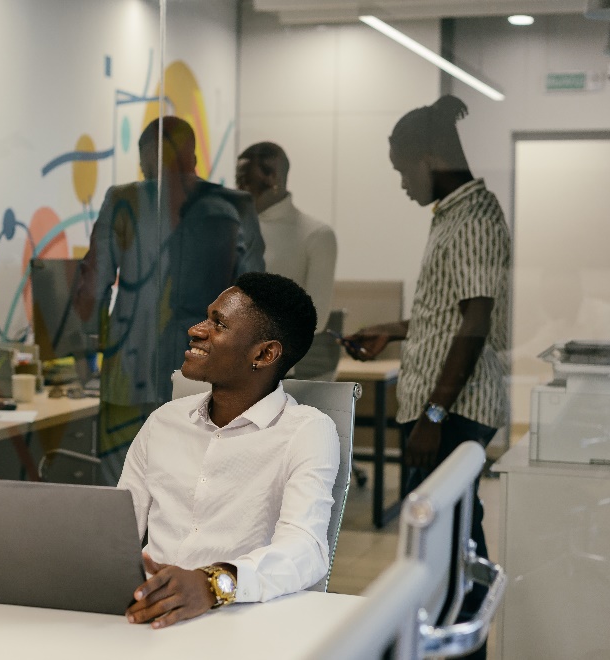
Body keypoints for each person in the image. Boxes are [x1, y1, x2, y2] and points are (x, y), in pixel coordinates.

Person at [343, 95, 511, 660]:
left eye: (401, 170)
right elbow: (452, 312)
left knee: (456, 544)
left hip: (456, 409)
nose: (402, 183)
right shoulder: (456, 216)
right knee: (449, 542)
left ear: (430, 158)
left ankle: (460, 645)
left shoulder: (473, 219)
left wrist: (435, 414)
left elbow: (477, 321)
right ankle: (453, 639)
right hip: (447, 405)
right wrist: (393, 328)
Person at [118, 271, 339, 628]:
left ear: (265, 353)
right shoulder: (164, 422)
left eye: (218, 324)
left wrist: (211, 584)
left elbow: (306, 550)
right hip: (150, 614)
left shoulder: (306, 430)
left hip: (241, 620)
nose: (196, 329)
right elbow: (117, 529)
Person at [76, 116, 265, 485]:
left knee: (122, 481)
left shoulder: (123, 199)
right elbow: (253, 298)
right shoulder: (235, 204)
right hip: (206, 367)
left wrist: (85, 357)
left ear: (145, 158)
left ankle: (126, 543)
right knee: (194, 478)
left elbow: (93, 285)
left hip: (130, 370)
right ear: (193, 156)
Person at [236, 142, 337, 335]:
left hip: (271, 360)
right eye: (237, 180)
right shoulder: (234, 228)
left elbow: (316, 320)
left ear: (273, 178)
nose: (239, 189)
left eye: (245, 181)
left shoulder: (317, 235)